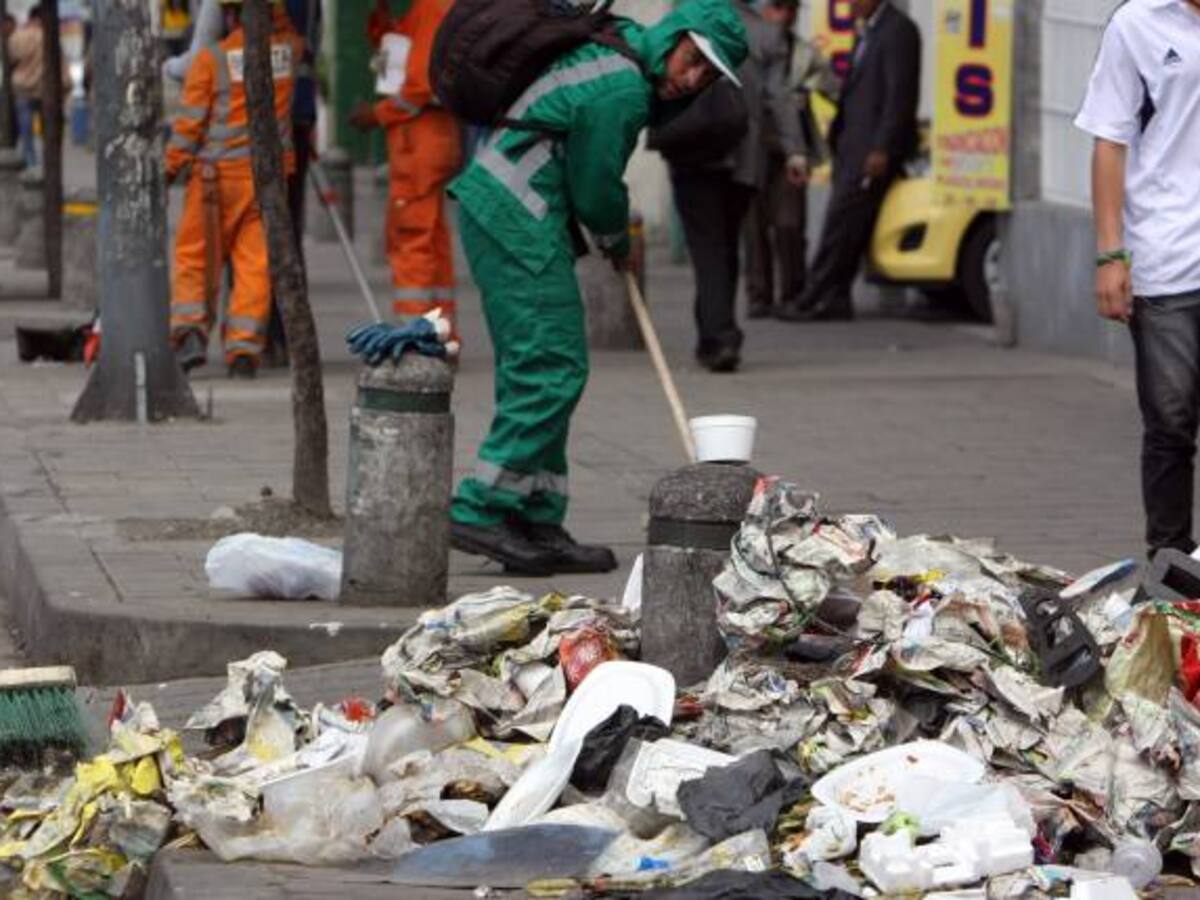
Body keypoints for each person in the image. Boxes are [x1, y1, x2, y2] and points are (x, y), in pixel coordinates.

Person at [448, 0, 748, 574]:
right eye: (694, 60)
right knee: (551, 365)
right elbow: (595, 187)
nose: (693, 79)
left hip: (511, 210)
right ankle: (483, 507)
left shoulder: (624, 51)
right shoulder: (623, 88)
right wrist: (615, 238)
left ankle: (536, 514)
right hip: (516, 213)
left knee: (542, 364)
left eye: (708, 74)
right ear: (676, 37)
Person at [1076, 0, 1200, 559]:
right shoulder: (1138, 23)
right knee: (1172, 424)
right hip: (1166, 255)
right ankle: (1170, 570)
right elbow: (1109, 140)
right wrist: (1111, 253)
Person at [659, 0, 809, 374]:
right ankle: (716, 335)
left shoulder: (684, 20)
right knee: (725, 246)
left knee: (707, 249)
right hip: (744, 159)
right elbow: (779, 98)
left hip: (692, 154)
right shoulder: (766, 33)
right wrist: (795, 153)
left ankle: (719, 336)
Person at [166, 0, 305, 379]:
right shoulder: (287, 56)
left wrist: (170, 167)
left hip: (213, 181)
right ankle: (243, 348)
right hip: (263, 183)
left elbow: (189, 126)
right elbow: (293, 34)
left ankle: (190, 332)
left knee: (195, 258)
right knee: (254, 266)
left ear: (228, 15)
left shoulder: (210, 61)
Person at [775, 0, 919, 322]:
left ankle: (812, 296)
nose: (848, 5)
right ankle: (836, 298)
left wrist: (882, 147)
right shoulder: (867, 31)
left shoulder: (898, 31)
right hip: (850, 147)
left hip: (871, 151)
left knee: (840, 225)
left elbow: (899, 96)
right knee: (847, 226)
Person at [350, 0, 461, 338]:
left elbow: (419, 86)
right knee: (432, 237)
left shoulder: (432, 9)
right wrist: (380, 19)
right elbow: (398, 52)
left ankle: (416, 334)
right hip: (428, 139)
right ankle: (440, 330)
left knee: (412, 236)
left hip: (420, 142)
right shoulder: (425, 10)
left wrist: (377, 114)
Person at [743, 0, 837, 320]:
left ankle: (792, 293)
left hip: (790, 150)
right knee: (754, 225)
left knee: (789, 223)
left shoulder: (803, 53)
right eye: (777, 8)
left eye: (790, 9)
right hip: (752, 146)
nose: (783, 16)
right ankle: (759, 295)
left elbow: (834, 87)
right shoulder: (747, 46)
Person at [7, 7, 44, 167]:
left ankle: (31, 161)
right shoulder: (45, 36)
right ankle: (45, 161)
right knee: (47, 127)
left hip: (22, 86)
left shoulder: (16, 37)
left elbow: (12, 60)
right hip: (43, 86)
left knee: (25, 126)